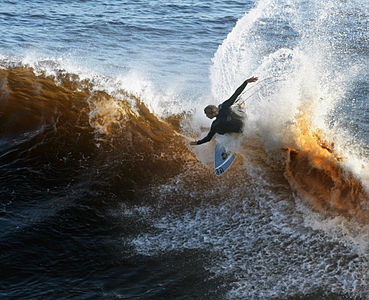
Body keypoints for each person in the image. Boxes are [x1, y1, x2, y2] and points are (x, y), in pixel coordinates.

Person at [190, 76, 258, 145]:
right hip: (244, 121)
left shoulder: (215, 124)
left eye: (207, 114)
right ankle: (241, 105)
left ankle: (240, 105)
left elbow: (208, 138)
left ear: (212, 114)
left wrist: (197, 143)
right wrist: (246, 82)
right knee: (230, 106)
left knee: (220, 130)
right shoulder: (224, 106)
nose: (206, 116)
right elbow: (235, 94)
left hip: (240, 128)